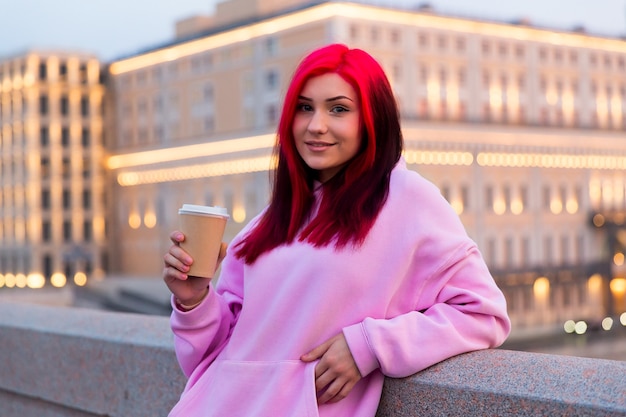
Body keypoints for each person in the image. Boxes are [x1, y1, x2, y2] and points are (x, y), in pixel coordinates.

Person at [162, 43, 511, 417]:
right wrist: (194, 300)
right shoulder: (267, 222)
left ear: (372, 119)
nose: (316, 125)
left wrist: (370, 346)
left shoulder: (409, 200)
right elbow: (211, 360)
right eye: (304, 107)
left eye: (339, 109)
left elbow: (483, 314)